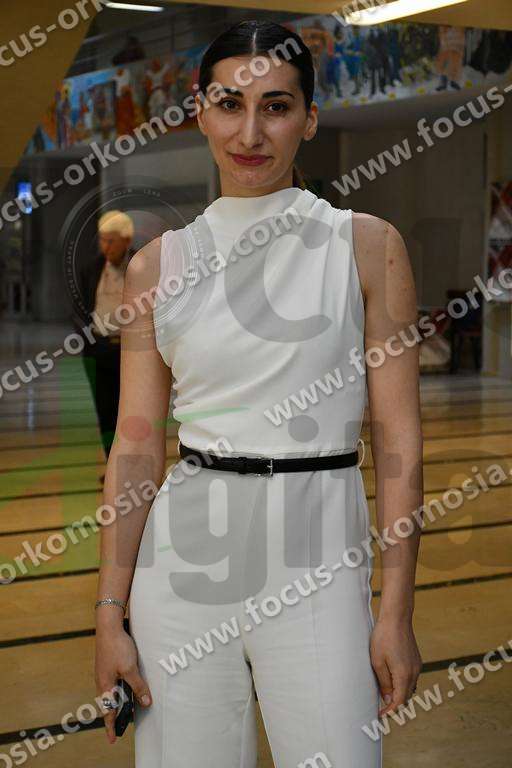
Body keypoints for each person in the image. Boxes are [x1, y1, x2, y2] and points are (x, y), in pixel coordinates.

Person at [94, 20, 423, 767]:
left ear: (309, 118)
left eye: (275, 106)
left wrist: (396, 609)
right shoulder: (155, 268)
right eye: (229, 104)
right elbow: (136, 448)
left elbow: (399, 439)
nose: (250, 132)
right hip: (181, 570)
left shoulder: (366, 246)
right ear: (200, 112)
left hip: (319, 563)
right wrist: (110, 612)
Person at [78, 210, 135, 468]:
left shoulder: (140, 267)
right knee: (105, 412)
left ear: (126, 240)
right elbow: (80, 308)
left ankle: (130, 466)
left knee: (132, 412)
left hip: (131, 353)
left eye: (111, 241)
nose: (106, 246)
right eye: (102, 240)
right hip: (99, 350)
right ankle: (112, 465)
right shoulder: (91, 269)